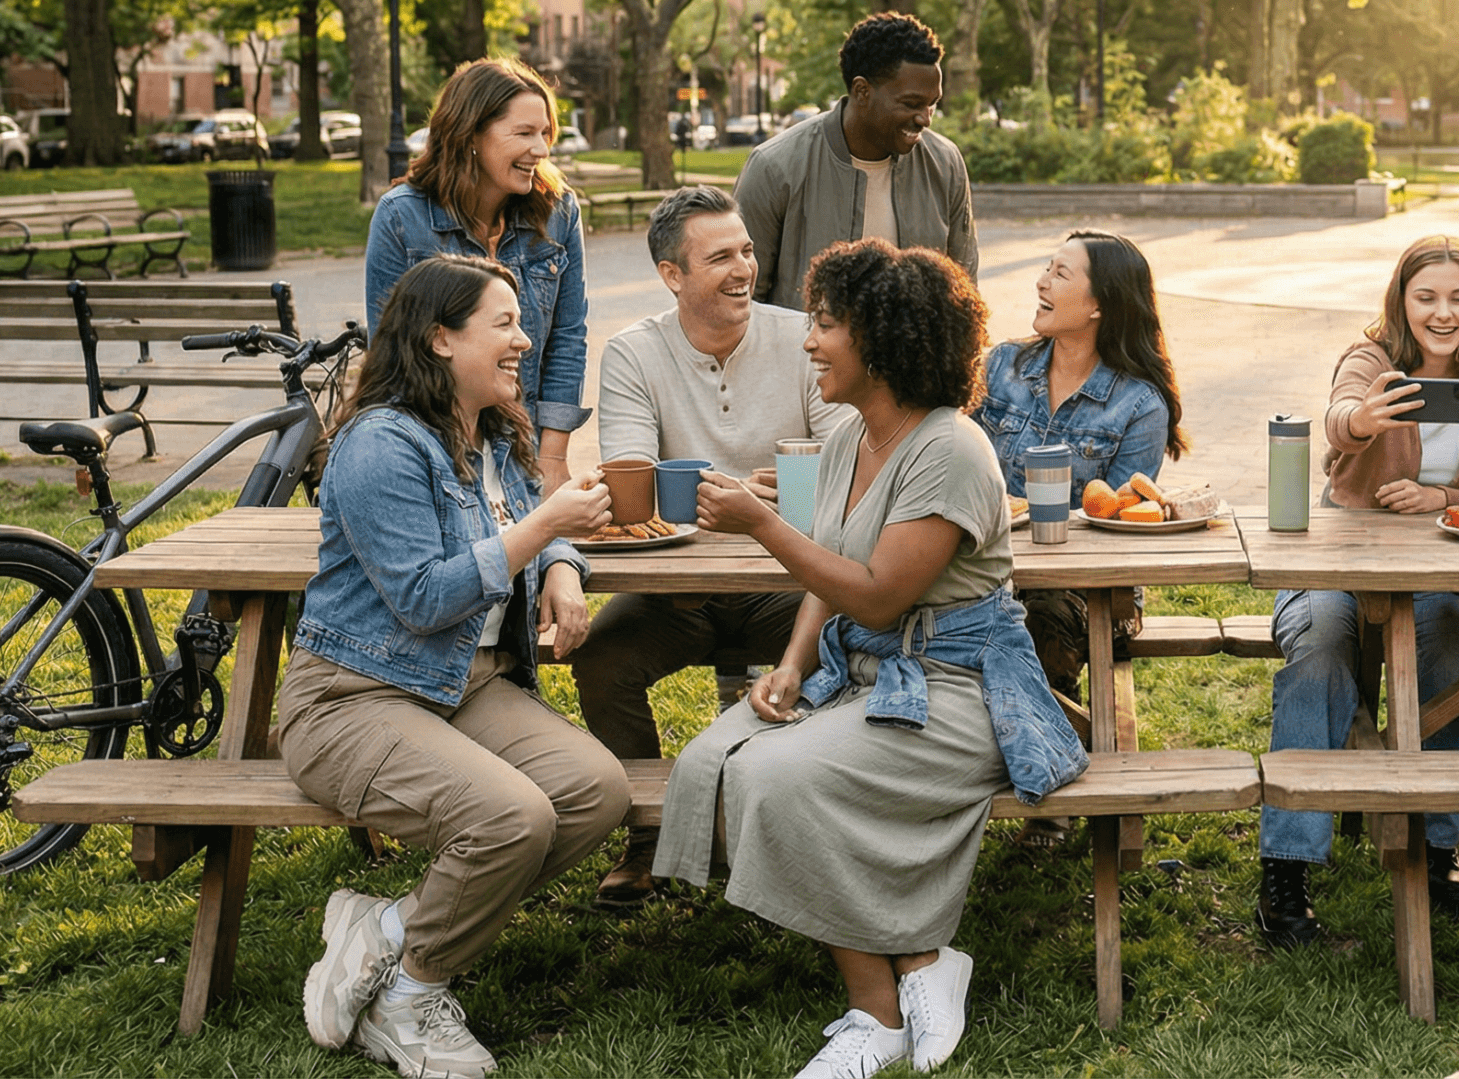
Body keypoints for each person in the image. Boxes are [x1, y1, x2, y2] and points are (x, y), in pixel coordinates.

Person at [654, 240, 1087, 1079]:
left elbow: (880, 595)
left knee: (780, 779)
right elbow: (836, 562)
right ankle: (920, 960)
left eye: (825, 324)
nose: (808, 341)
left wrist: (760, 525)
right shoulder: (855, 434)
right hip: (863, 677)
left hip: (960, 695)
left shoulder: (952, 450)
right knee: (714, 757)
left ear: (881, 339)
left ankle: (878, 1008)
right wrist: (790, 660)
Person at [286, 255, 626, 1079]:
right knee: (511, 819)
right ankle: (410, 996)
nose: (524, 338)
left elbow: (537, 522)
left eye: (521, 321)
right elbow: (423, 598)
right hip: (353, 699)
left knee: (595, 793)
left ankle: (391, 931)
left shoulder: (492, 432)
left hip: (461, 688)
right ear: (440, 338)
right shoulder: (381, 445)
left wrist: (561, 565)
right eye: (502, 323)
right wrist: (544, 531)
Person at [567, 185, 852, 905]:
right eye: (720, 256)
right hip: (673, 592)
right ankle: (645, 834)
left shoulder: (804, 340)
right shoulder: (635, 353)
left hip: (782, 584)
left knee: (850, 649)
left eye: (748, 251)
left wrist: (714, 494)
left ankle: (795, 827)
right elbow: (633, 486)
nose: (743, 269)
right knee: (602, 659)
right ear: (673, 275)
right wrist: (764, 491)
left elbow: (847, 464)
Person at [1255, 235, 1459, 948]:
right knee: (1320, 655)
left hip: (1435, 565)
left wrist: (1442, 496)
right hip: (1339, 555)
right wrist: (1362, 421)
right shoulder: (1371, 360)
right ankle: (1287, 868)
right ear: (1402, 300)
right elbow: (1340, 417)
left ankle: (1435, 842)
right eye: (1426, 296)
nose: (1443, 312)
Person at [971, 229, 1186, 696]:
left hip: (1085, 587)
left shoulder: (1139, 405)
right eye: (1046, 269)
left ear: (1099, 305)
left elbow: (1114, 523)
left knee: (1040, 621)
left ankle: (1045, 746)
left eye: (1060, 273)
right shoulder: (1000, 366)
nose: (1042, 282)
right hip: (984, 565)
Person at [366, 57, 590, 492]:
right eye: (524, 134)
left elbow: (567, 338)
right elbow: (392, 360)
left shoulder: (558, 210)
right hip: (434, 452)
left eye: (545, 134)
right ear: (471, 135)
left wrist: (552, 457)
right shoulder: (401, 218)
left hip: (528, 450)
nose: (541, 149)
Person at [734, 13, 979, 309]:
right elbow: (744, 299)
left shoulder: (946, 163)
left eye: (932, 104)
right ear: (862, 91)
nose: (925, 119)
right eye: (911, 104)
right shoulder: (774, 167)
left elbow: (964, 292)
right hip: (804, 354)